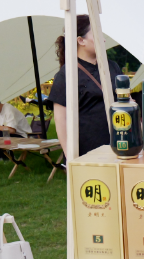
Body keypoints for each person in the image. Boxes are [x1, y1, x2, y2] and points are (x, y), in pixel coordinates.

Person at [49, 14, 122, 157]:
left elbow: (126, 101)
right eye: (97, 35)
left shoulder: (112, 67)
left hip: (118, 147)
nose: (104, 39)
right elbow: (60, 119)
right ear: (81, 40)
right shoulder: (68, 73)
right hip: (87, 152)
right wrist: (70, 157)